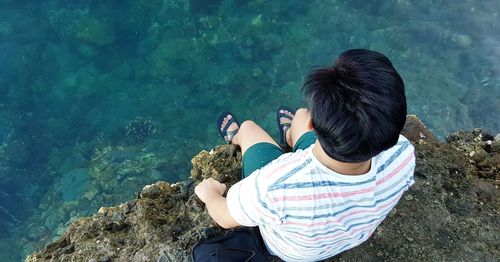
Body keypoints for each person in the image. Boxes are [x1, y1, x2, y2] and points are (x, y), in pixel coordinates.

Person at [194, 49, 415, 261]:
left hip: (290, 252)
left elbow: (224, 217)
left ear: (313, 125)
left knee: (250, 128)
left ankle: (239, 136)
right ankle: (291, 135)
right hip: (344, 238)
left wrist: (211, 194)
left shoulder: (277, 186)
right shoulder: (403, 154)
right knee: (299, 115)